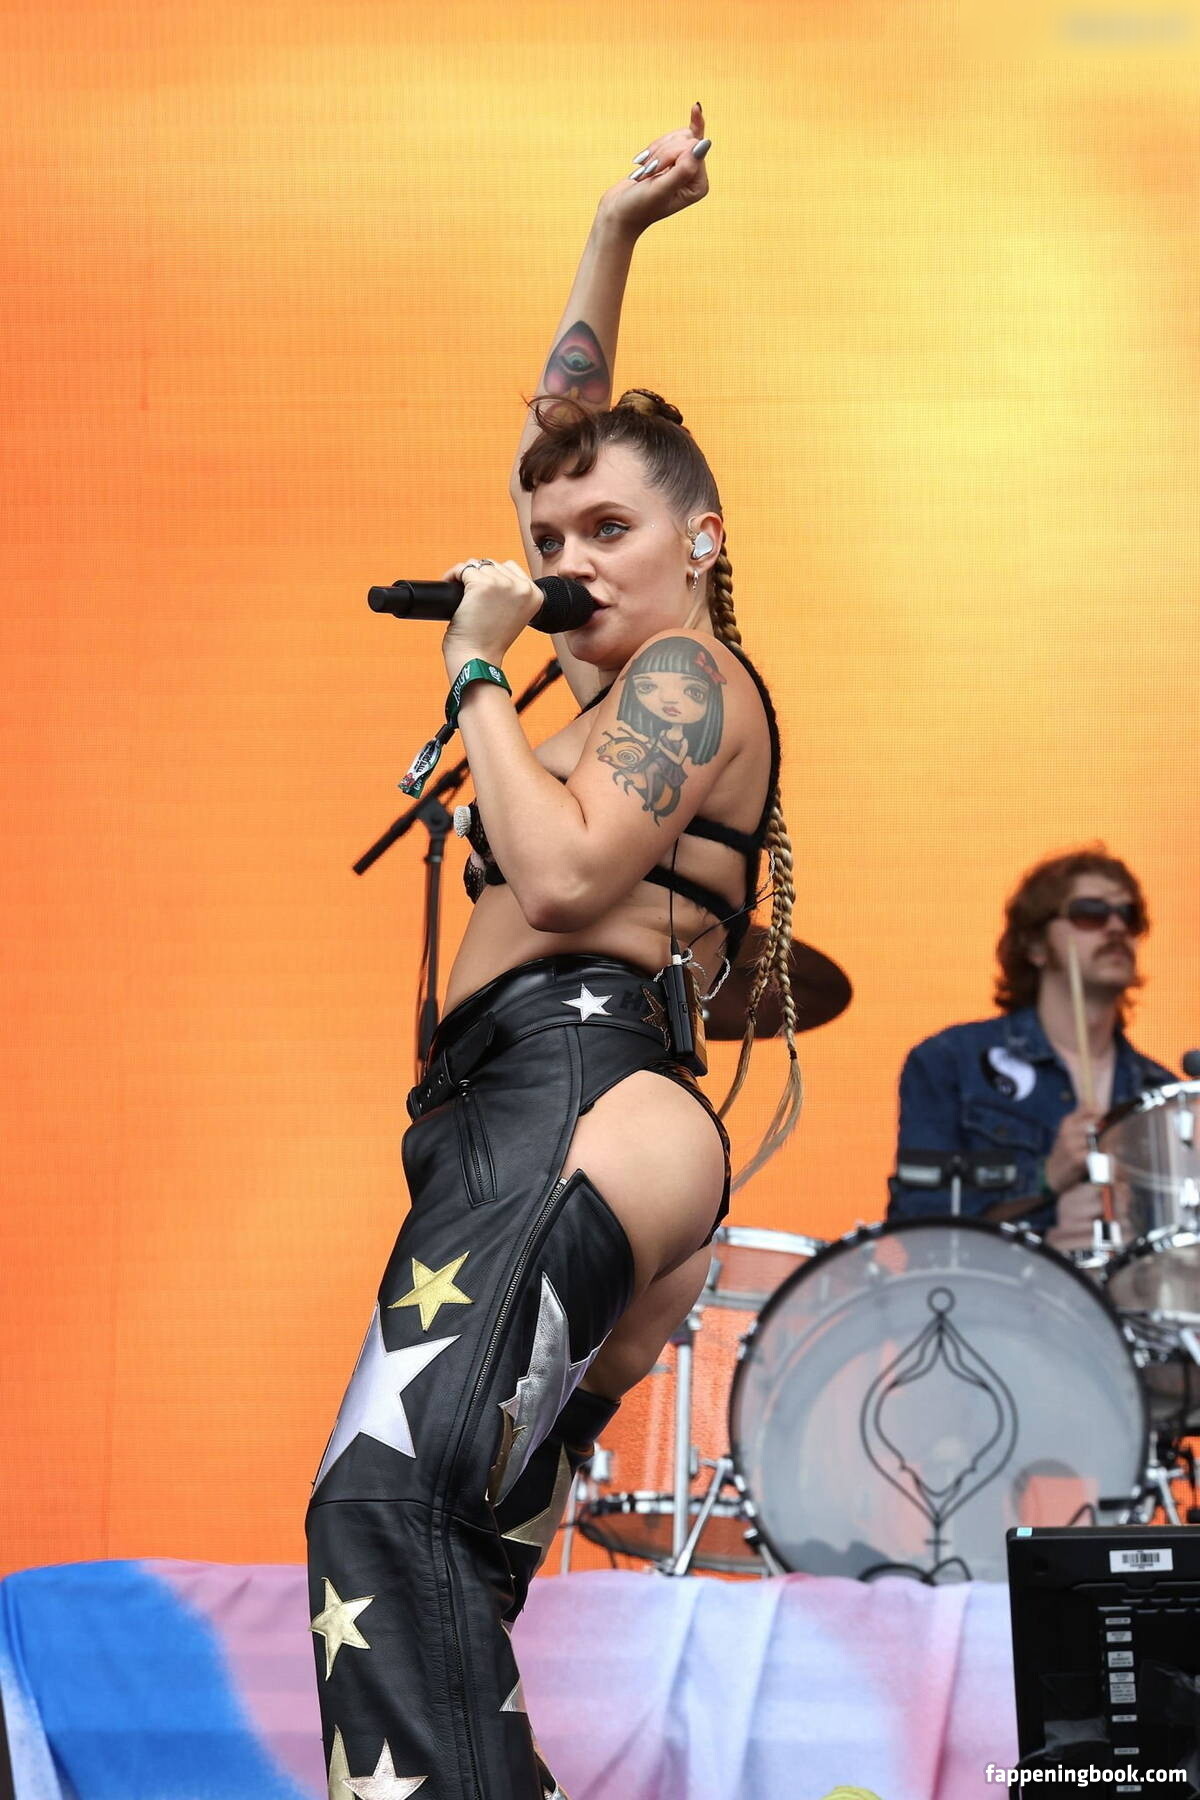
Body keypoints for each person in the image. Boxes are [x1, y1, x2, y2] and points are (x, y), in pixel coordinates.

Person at [306, 106, 802, 1800]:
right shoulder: (605, 685)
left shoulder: (683, 678)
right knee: (439, 1549)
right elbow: (559, 435)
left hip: (582, 1088)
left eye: (610, 533)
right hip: (529, 1113)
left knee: (380, 1509)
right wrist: (613, 231)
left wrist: (471, 674)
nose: (569, 562)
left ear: (699, 541)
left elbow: (572, 866)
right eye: (549, 546)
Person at [887, 846, 1173, 1253]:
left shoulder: (1163, 1095)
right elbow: (916, 1226)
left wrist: (1139, 1240)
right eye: (1089, 913)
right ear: (1036, 945)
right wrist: (1043, 1182)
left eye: (1128, 916)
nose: (1114, 927)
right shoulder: (951, 1061)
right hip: (994, 1293)